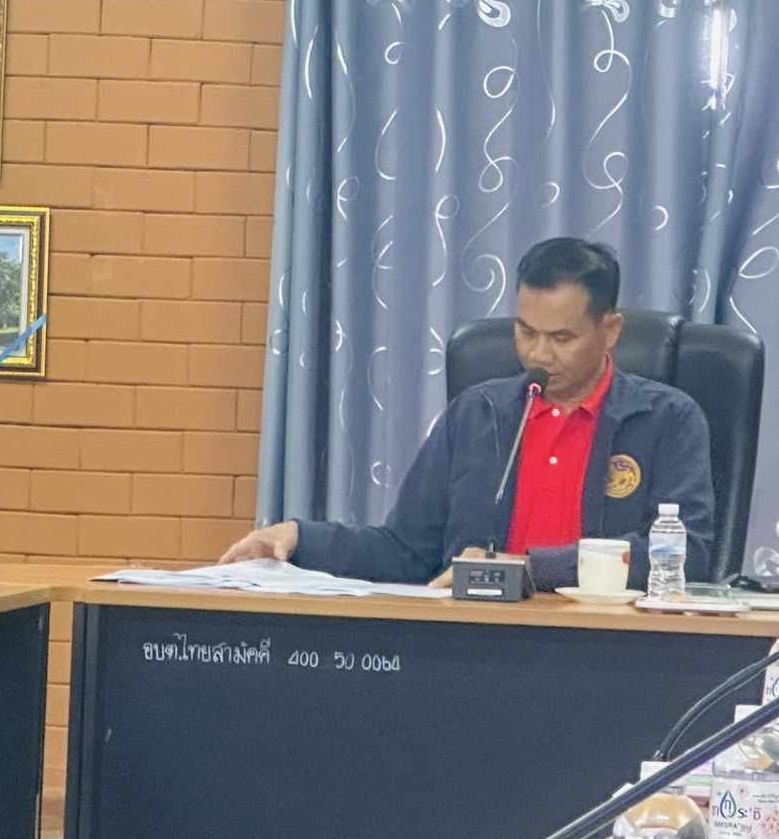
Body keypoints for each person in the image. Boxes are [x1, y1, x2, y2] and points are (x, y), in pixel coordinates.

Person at [221, 238, 715, 589]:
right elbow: (407, 551)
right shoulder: (479, 415)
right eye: (526, 331)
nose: (539, 354)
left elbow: (685, 554)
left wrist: (528, 570)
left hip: (607, 653)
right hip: (477, 643)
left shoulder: (667, 420)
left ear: (610, 331)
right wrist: (300, 538)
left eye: (562, 338)